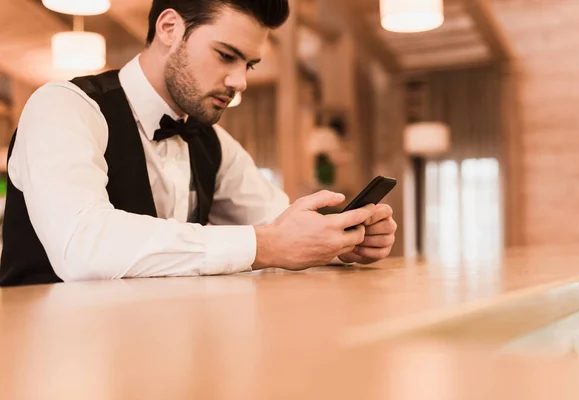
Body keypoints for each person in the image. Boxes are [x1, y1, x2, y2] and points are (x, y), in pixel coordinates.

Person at [0, 0, 397, 287]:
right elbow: (83, 246)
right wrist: (265, 245)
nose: (240, 81)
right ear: (169, 28)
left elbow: (282, 222)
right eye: (227, 55)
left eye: (249, 65)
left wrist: (339, 239)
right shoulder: (64, 107)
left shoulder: (215, 143)